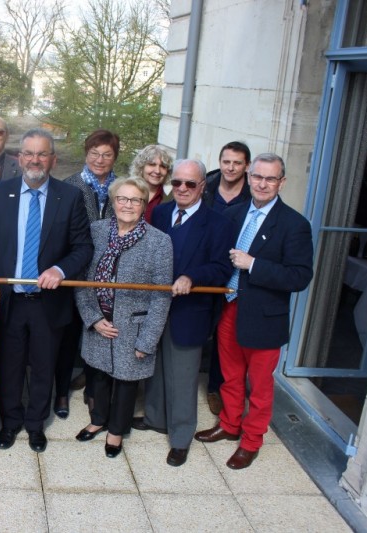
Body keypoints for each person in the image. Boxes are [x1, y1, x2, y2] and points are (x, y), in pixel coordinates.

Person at [195, 153, 313, 470]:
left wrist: (254, 265)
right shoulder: (232, 214)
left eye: (270, 178)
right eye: (258, 177)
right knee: (229, 377)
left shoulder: (294, 225)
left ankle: (251, 441)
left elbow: (300, 276)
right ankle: (230, 424)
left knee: (258, 387)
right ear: (248, 178)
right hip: (229, 308)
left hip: (264, 318)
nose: (262, 184)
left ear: (281, 182)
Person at [0, 128, 93, 453]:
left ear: (53, 159)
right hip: (8, 300)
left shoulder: (70, 196)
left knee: (44, 366)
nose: (35, 159)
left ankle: (35, 426)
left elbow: (83, 247)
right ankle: (11, 422)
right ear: (20, 159)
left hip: (49, 301)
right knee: (10, 366)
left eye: (42, 153)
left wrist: (59, 270)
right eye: (29, 153)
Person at [132, 159, 233, 467]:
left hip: (189, 310)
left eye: (190, 184)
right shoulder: (161, 213)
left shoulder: (218, 223)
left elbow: (222, 267)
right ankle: (155, 417)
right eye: (177, 183)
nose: (183, 189)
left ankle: (180, 437)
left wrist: (193, 277)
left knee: (184, 376)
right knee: (156, 365)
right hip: (155, 306)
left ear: (202, 186)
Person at [74, 177, 172, 458]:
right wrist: (92, 318)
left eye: (135, 200)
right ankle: (98, 420)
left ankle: (116, 431)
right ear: (113, 202)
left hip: (134, 327)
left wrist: (147, 340)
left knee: (127, 382)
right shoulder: (96, 231)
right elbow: (81, 280)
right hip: (99, 322)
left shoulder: (159, 242)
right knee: (99, 375)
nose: (128, 205)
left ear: (144, 204)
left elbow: (161, 296)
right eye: (122, 199)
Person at [57, 129, 121, 419]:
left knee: (100, 332)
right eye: (95, 153)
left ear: (114, 157)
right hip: (75, 268)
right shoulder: (68, 186)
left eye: (107, 154)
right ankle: (61, 391)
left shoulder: (122, 188)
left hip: (109, 272)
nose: (100, 159)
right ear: (86, 154)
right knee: (69, 332)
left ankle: (95, 391)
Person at [201, 141, 253, 414]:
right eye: (226, 161)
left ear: (246, 166)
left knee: (226, 333)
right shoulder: (205, 185)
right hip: (204, 266)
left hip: (234, 271)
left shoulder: (253, 192)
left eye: (237, 163)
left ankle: (215, 387)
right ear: (219, 162)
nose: (230, 167)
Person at [129, 144, 174, 223]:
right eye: (152, 164)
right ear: (141, 167)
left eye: (163, 166)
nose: (157, 171)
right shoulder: (126, 191)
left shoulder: (172, 200)